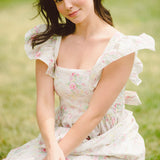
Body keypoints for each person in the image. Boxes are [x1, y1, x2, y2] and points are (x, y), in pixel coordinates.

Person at [4, 0, 155, 159]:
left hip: (108, 142)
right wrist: (52, 148)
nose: (67, 6)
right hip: (60, 137)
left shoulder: (119, 49)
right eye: (58, 0)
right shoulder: (50, 43)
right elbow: (44, 101)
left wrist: (58, 154)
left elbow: (94, 114)